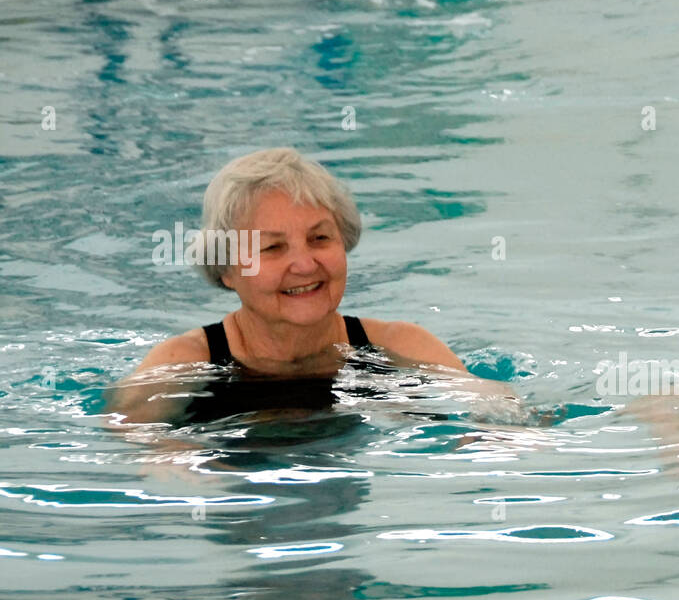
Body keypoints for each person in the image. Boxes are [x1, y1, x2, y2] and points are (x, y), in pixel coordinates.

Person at [110, 147, 480, 422]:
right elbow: (126, 432)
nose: (305, 265)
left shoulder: (402, 348)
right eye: (272, 248)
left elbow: (497, 410)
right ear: (226, 270)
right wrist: (168, 453)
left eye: (320, 239)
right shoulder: (184, 363)